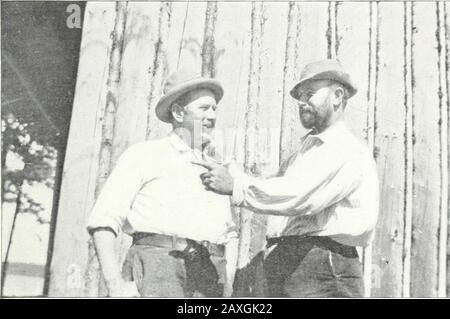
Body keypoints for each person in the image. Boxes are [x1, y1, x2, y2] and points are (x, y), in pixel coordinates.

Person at [194, 59, 379, 297]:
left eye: (310, 93)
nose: (302, 102)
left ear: (337, 96)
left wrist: (235, 185)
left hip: (324, 266)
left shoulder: (344, 149)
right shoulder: (307, 151)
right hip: (295, 262)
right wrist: (232, 170)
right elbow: (277, 187)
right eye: (300, 96)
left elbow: (298, 195)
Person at [87, 70, 238, 297]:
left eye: (214, 108)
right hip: (157, 270)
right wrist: (115, 285)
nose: (212, 116)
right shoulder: (145, 155)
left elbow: (230, 233)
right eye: (204, 108)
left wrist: (228, 284)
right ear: (178, 113)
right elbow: (103, 221)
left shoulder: (218, 168)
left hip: (208, 276)